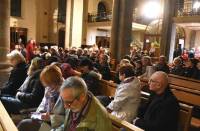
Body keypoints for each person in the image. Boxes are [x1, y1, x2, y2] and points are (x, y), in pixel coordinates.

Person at [18, 65, 64, 131]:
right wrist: (39, 114)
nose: (48, 87)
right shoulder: (49, 89)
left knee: (24, 124)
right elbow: (43, 104)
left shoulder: (65, 92)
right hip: (44, 118)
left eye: (49, 84)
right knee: (25, 118)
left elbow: (67, 118)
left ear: (55, 81)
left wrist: (50, 118)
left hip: (54, 125)